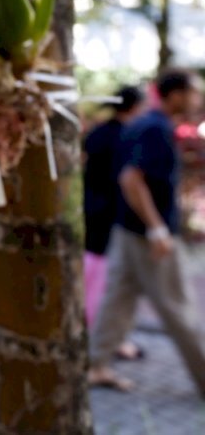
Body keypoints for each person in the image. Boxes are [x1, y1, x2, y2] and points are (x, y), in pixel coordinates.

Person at [89, 70, 205, 393]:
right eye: (194, 92)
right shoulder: (153, 128)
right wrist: (157, 229)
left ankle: (97, 364)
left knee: (118, 300)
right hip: (145, 235)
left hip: (127, 231)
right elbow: (131, 178)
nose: (197, 99)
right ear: (176, 94)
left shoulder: (141, 124)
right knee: (179, 308)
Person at [83, 86, 145, 360]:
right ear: (133, 107)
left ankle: (91, 329)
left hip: (91, 208)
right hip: (112, 214)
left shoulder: (99, 132)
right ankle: (100, 333)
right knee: (105, 274)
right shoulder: (127, 136)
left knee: (92, 267)